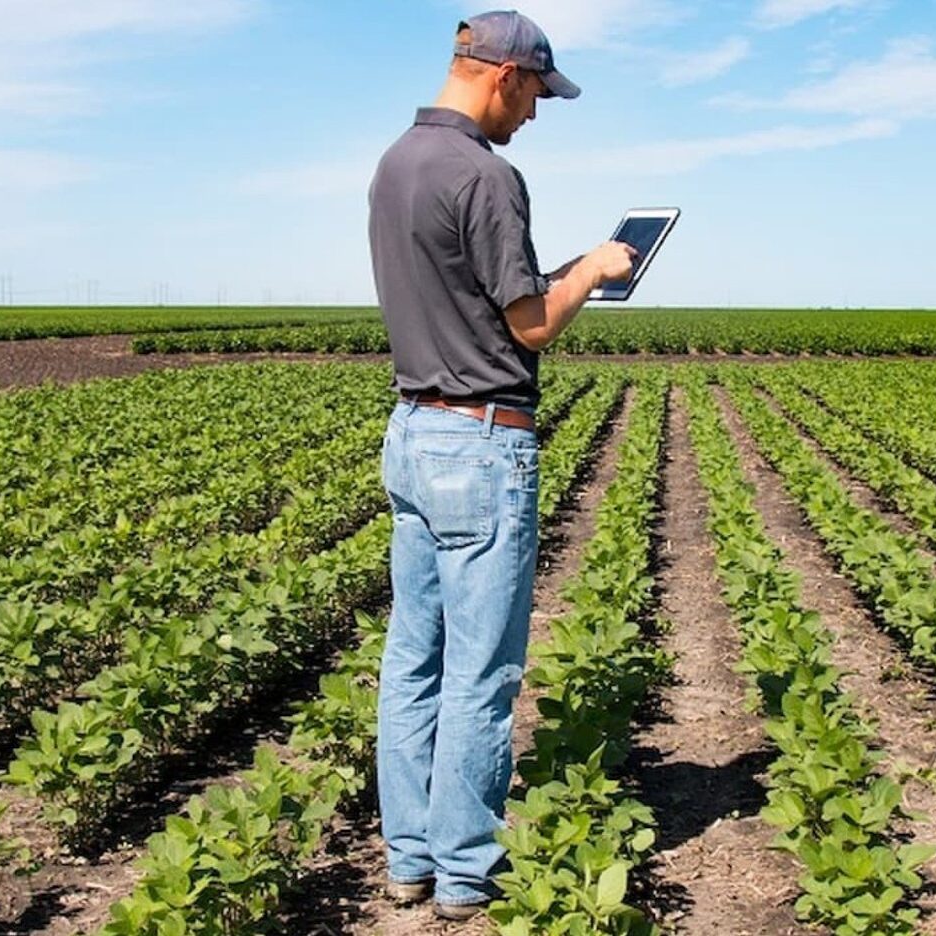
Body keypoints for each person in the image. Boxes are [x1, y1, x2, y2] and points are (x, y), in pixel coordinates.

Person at [366, 8, 638, 923]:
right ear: (504, 75)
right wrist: (593, 271)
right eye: (537, 93)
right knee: (480, 675)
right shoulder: (486, 174)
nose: (537, 112)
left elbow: (475, 295)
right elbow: (528, 326)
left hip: (411, 432)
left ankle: (408, 861)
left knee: (413, 661)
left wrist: (556, 270)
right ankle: (465, 876)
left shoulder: (396, 163)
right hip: (480, 444)